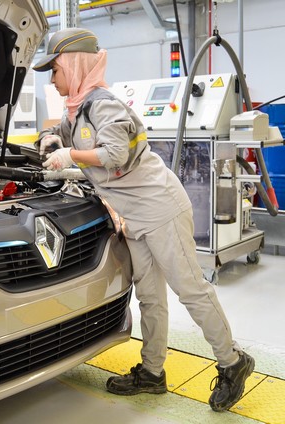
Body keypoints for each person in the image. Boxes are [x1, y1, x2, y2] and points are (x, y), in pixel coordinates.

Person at [32, 27, 254, 412]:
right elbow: (66, 133)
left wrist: (69, 155)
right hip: (133, 217)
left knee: (191, 290)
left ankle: (233, 361)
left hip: (160, 208)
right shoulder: (79, 109)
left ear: (73, 64)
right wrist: (51, 139)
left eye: (54, 70)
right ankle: (153, 373)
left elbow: (115, 153)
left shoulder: (103, 104)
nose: (52, 80)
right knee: (150, 297)